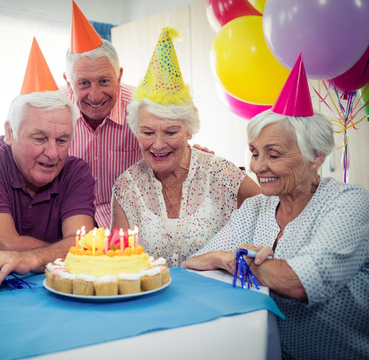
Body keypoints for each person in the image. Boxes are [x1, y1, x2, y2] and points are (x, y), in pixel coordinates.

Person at [182, 55, 369, 359]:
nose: (258, 166)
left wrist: (240, 263)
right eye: (255, 153)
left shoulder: (349, 203)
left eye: (274, 154)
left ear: (317, 155)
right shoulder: (256, 207)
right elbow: (195, 262)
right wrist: (227, 257)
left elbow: (303, 282)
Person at [111, 27, 261, 267]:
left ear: (189, 130)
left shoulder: (222, 175)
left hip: (215, 299)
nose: (158, 145)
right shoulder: (126, 187)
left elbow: (272, 215)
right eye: (148, 132)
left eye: (171, 132)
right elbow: (117, 264)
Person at [0, 38, 95, 292]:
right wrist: (63, 249)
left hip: (60, 291)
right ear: (10, 133)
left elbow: (85, 245)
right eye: (40, 138)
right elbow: (5, 243)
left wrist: (29, 257)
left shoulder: (77, 172)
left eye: (63, 140)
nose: (53, 153)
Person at [60, 1, 141, 228]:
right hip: (66, 223)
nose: (95, 96)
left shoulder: (143, 108)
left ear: (119, 76)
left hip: (129, 223)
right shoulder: (51, 111)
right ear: (68, 82)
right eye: (83, 83)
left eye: (104, 81)